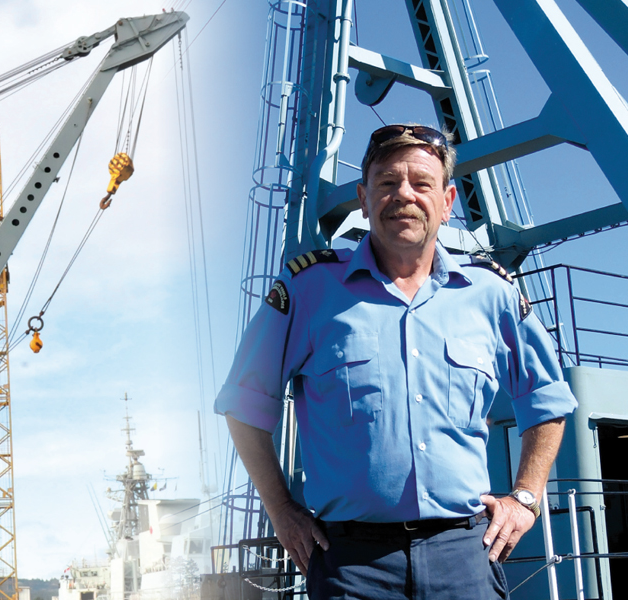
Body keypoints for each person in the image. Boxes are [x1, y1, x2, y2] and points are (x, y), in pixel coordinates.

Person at [213, 124, 578, 599]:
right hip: (351, 563)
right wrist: (281, 508)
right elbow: (243, 403)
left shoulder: (492, 294)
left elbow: (547, 399)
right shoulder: (309, 290)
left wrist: (526, 497)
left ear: (447, 202)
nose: (404, 194)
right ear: (364, 200)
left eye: (421, 184)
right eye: (387, 183)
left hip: (465, 554)